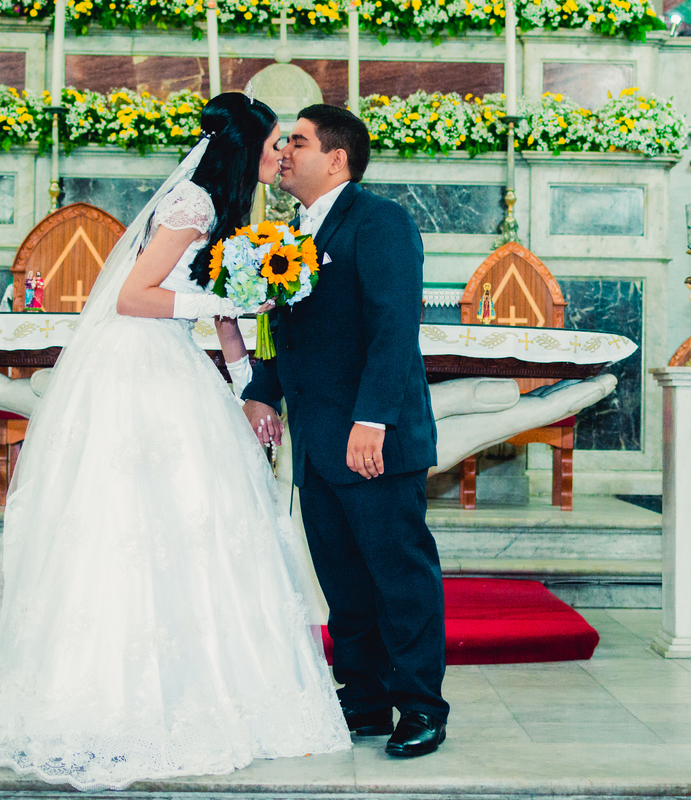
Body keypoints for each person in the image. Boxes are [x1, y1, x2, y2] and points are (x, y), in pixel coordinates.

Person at [0, 93, 350, 790]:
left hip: (180, 372)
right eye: (270, 147)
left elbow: (224, 302)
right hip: (141, 369)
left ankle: (212, 687)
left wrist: (242, 386)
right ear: (242, 150)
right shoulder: (192, 206)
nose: (279, 158)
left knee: (203, 523)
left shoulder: (229, 213)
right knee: (133, 528)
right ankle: (112, 696)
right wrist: (225, 303)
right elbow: (133, 296)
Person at [240, 104, 449, 758]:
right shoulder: (288, 232)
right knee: (343, 581)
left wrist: (372, 420)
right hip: (317, 442)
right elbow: (279, 327)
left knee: (398, 578)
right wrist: (260, 391)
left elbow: (393, 331)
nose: (282, 152)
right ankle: (363, 697)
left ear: (335, 158)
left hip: (373, 439)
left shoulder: (380, 223)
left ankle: (420, 706)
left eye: (295, 142)